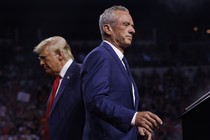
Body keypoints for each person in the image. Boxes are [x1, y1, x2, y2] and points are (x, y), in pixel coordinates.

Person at [81, 5, 163, 140]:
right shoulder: (100, 56)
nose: (132, 30)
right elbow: (95, 100)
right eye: (126, 24)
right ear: (107, 29)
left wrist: (134, 126)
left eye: (132, 25)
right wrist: (134, 117)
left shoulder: (119, 60)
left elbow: (118, 104)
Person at [33, 36, 85, 140]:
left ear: (60, 55)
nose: (41, 63)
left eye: (44, 58)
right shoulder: (58, 79)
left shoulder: (82, 73)